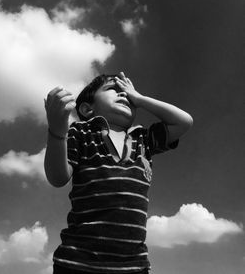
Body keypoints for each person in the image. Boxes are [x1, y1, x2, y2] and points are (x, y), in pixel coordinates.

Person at [44, 71, 193, 274]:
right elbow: (57, 177)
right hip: (78, 261)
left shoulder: (144, 139)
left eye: (127, 92)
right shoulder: (81, 132)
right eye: (114, 89)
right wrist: (57, 131)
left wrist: (139, 98)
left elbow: (184, 122)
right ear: (88, 108)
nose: (124, 95)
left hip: (133, 265)